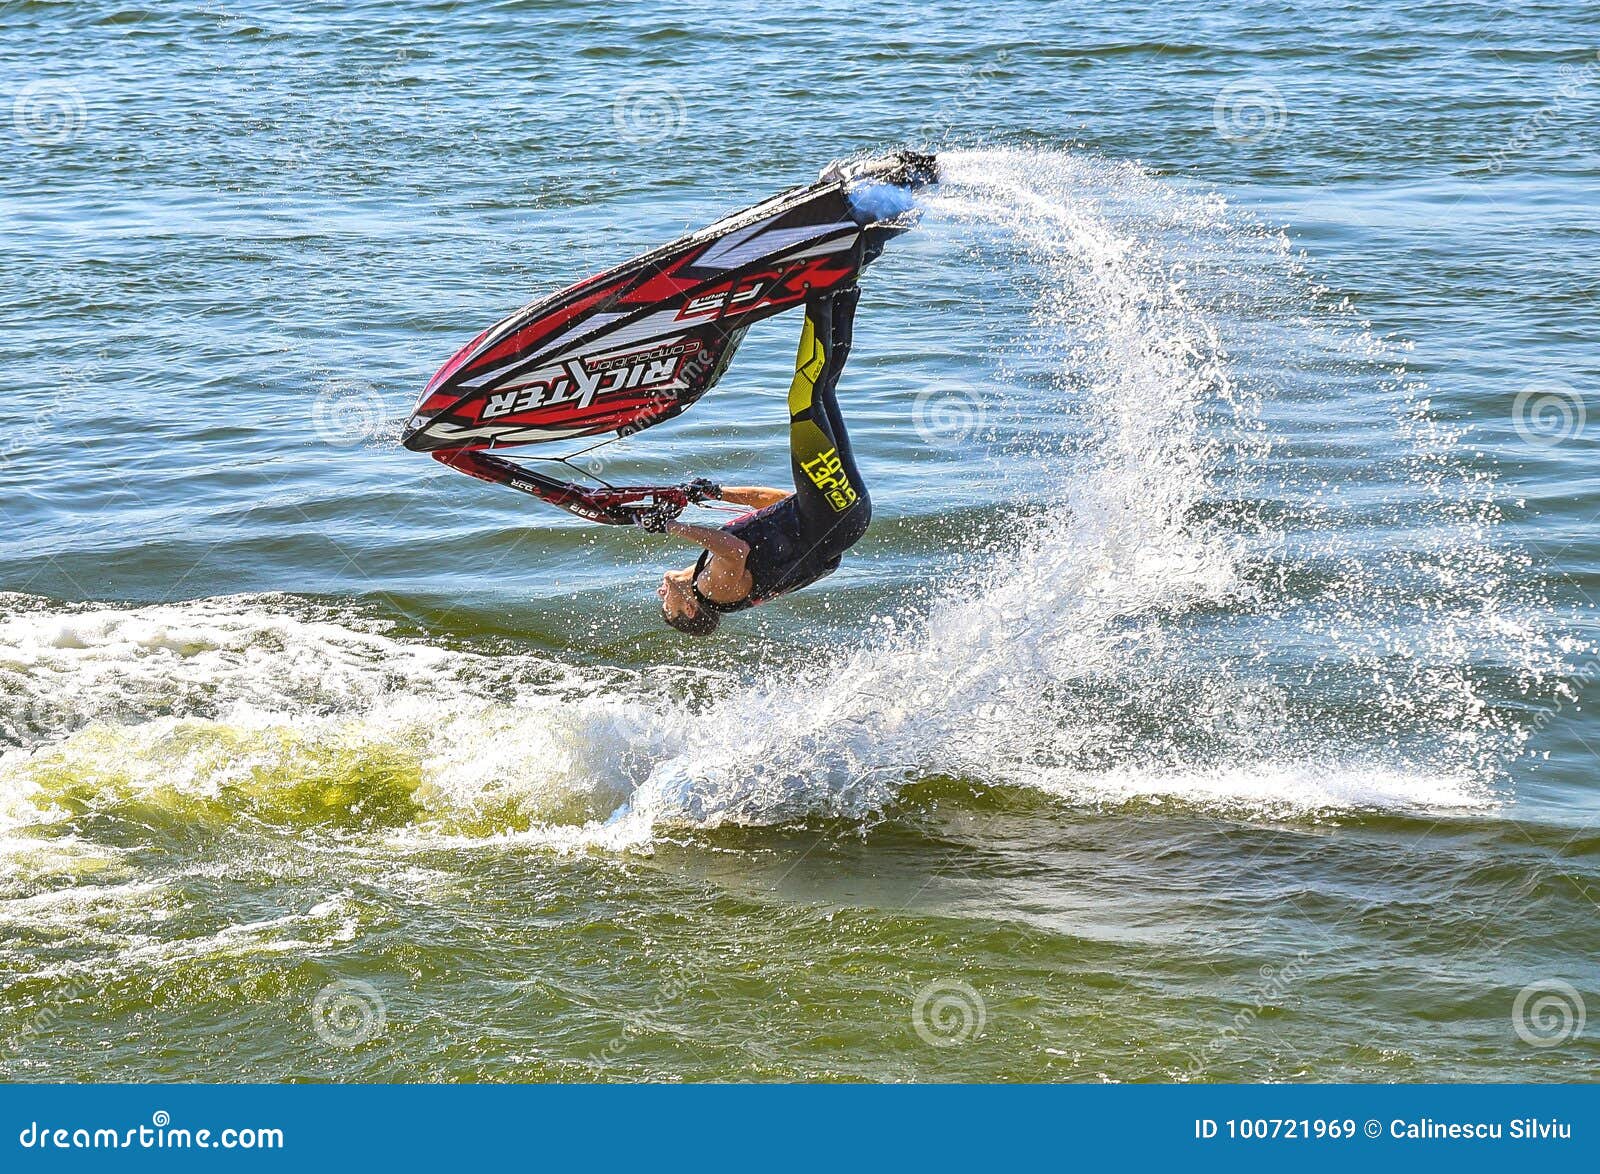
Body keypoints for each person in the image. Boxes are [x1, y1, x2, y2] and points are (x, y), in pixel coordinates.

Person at [642, 286, 871, 636]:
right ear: (688, 609)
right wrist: (670, 527)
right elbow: (734, 550)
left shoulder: (710, 575)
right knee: (803, 400)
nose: (662, 595)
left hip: (840, 515)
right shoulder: (714, 592)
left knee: (823, 391)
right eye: (666, 604)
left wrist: (719, 493)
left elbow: (778, 503)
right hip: (833, 516)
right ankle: (823, 286)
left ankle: (844, 286)